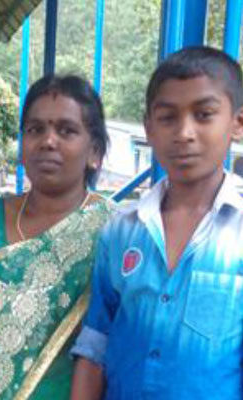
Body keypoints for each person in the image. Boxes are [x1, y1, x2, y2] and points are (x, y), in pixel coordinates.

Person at [70, 46, 243, 400]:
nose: (184, 133)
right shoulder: (121, 229)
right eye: (167, 118)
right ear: (148, 128)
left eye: (204, 114)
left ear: (237, 123)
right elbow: (95, 344)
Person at [0, 75, 113, 400]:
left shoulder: (114, 230)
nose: (48, 141)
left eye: (66, 130)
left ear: (94, 152)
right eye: (35, 129)